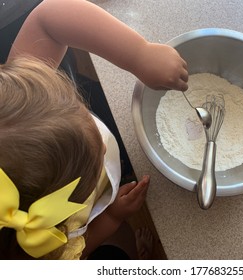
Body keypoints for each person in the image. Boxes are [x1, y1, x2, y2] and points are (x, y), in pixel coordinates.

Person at [0, 0, 188, 260]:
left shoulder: (17, 104)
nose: (102, 143)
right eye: (96, 157)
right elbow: (81, 247)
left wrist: (139, 54)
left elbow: (50, 15)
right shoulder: (44, 251)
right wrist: (111, 216)